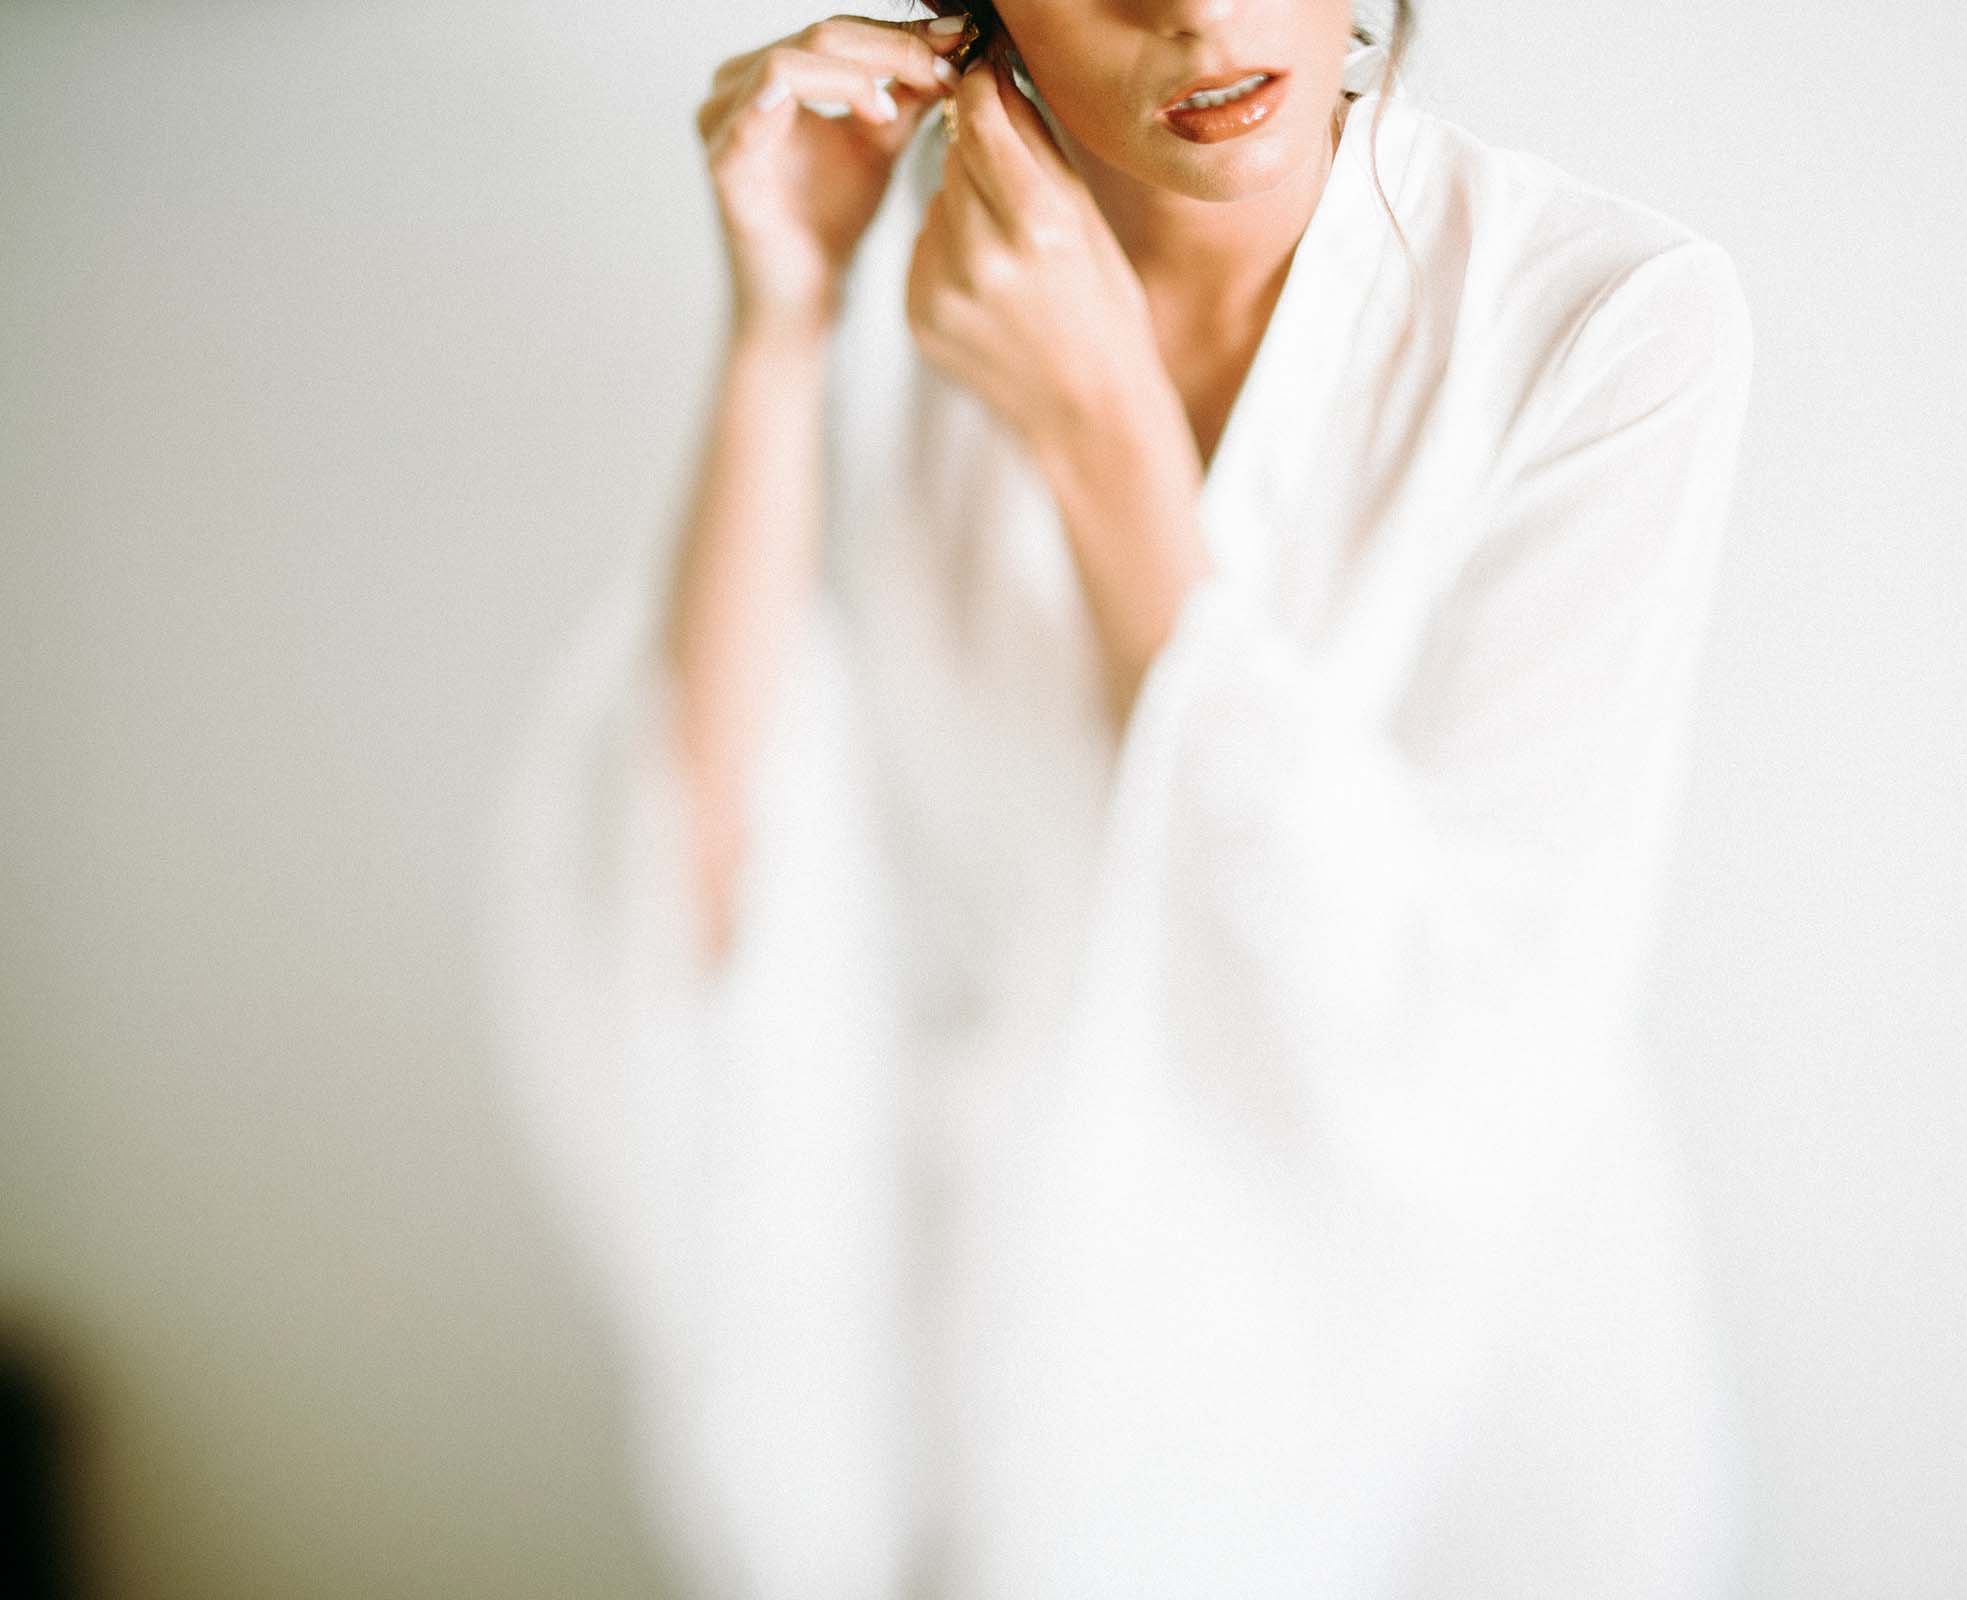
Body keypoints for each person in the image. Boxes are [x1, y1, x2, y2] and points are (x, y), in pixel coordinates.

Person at [481, 2, 1756, 1595]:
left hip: (1421, 1402)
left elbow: (1453, 1041)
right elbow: (710, 874)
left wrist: (1101, 435)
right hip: (995, 1371)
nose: (1203, 8)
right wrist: (785, 325)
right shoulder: (923, 305)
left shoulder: (1602, 324)